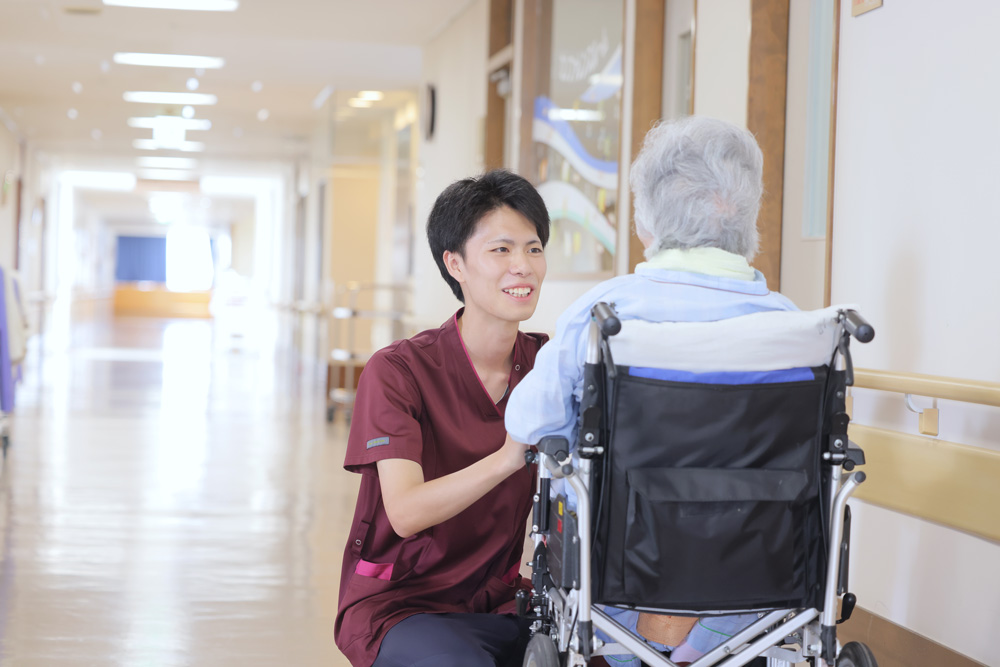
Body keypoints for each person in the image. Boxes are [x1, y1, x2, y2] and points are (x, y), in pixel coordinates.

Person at [505, 116, 797, 665]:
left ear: (649, 222)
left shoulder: (604, 312)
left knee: (589, 507)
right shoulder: (791, 327)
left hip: (623, 552)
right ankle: (706, 647)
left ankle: (630, 653)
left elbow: (529, 422)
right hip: (752, 552)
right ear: (748, 216)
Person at [334, 169, 550, 667]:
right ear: (455, 263)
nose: (523, 266)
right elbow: (405, 512)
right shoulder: (398, 371)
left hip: (498, 601)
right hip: (403, 606)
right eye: (501, 250)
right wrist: (508, 457)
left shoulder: (548, 365)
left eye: (534, 248)